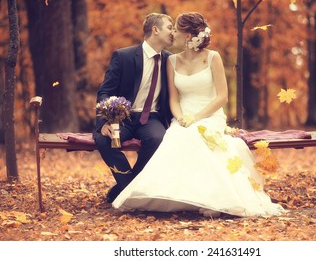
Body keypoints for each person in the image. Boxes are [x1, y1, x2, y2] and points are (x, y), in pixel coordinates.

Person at [112, 12, 284, 217]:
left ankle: (216, 199)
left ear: (187, 35)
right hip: (183, 116)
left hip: (210, 114)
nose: (173, 32)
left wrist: (197, 117)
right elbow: (173, 99)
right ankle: (168, 194)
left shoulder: (213, 57)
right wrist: (181, 117)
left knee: (199, 136)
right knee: (177, 135)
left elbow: (222, 97)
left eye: (176, 28)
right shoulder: (172, 61)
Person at [93, 13, 174, 203]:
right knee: (103, 140)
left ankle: (124, 190)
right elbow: (105, 91)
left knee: (157, 139)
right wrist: (104, 122)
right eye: (169, 27)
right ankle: (129, 187)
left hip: (152, 118)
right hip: (123, 118)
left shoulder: (171, 60)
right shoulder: (124, 56)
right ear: (155, 30)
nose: (173, 32)